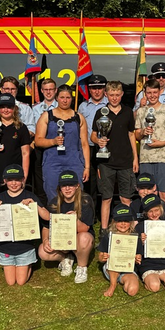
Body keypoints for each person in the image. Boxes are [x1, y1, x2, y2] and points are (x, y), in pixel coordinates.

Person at [0, 164, 50, 286]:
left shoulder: (30, 196)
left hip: (25, 247)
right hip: (5, 247)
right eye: (10, 180)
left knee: (21, 281)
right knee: (11, 282)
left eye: (17, 180)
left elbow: (47, 217)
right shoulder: (0, 198)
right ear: (4, 181)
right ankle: (18, 264)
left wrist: (34, 205)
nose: (14, 183)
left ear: (23, 180)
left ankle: (28, 264)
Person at [92, 80, 138, 235]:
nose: (114, 98)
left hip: (125, 161)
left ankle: (129, 229)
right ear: (106, 95)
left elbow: (131, 135)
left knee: (126, 198)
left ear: (122, 94)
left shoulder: (128, 111)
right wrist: (98, 141)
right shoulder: (101, 112)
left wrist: (135, 158)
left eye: (117, 95)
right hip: (106, 162)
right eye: (111, 95)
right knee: (106, 197)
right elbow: (92, 135)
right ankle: (104, 230)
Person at [35, 85, 90, 203]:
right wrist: (53, 141)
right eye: (62, 97)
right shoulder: (46, 116)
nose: (65, 100)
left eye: (68, 97)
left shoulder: (78, 118)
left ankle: (74, 220)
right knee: (53, 195)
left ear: (72, 99)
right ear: (57, 98)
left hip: (74, 163)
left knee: (75, 197)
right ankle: (56, 220)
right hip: (52, 163)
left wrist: (87, 167)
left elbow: (84, 144)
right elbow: (38, 140)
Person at [39, 170, 95, 284]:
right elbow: (46, 227)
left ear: (77, 186)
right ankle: (65, 259)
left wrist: (75, 221)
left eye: (71, 185)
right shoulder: (54, 203)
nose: (68, 189)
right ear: (60, 187)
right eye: (64, 185)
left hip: (79, 237)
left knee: (84, 238)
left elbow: (85, 229)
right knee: (42, 252)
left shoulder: (85, 200)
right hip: (61, 239)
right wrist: (45, 240)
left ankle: (81, 267)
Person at [135, 78, 165, 218]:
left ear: (160, 92)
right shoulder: (141, 112)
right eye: (149, 93)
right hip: (146, 158)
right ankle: (148, 223)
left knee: (164, 193)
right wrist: (143, 132)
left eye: (155, 92)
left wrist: (162, 143)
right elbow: (136, 134)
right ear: (145, 93)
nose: (152, 95)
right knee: (147, 193)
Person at [135, 194, 165, 292]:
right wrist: (140, 242)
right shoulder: (140, 227)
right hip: (147, 264)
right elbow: (135, 251)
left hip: (164, 263)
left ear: (161, 209)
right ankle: (149, 279)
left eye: (156, 210)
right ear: (146, 213)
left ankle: (159, 276)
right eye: (150, 211)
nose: (154, 214)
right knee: (154, 286)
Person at [97, 205, 142, 297]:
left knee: (132, 291)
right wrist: (103, 257)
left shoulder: (135, 238)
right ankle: (112, 285)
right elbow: (100, 257)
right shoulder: (108, 236)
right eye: (120, 221)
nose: (123, 224)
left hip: (128, 269)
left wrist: (137, 258)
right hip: (111, 269)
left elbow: (139, 255)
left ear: (131, 222)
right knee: (114, 262)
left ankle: (123, 280)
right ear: (114, 222)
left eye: (126, 221)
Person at [78, 74, 109, 209]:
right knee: (89, 180)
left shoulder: (109, 105)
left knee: (105, 180)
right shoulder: (83, 106)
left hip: (106, 147)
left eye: (100, 88)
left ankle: (105, 210)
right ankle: (90, 210)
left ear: (104, 89)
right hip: (88, 148)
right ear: (89, 90)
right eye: (94, 88)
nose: (97, 91)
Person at [32, 78, 58, 205]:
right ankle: (42, 206)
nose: (48, 92)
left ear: (56, 90)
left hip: (56, 146)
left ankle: (56, 204)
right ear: (41, 91)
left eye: (51, 89)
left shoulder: (61, 107)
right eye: (46, 90)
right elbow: (31, 127)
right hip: (40, 147)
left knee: (55, 177)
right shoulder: (35, 108)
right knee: (39, 179)